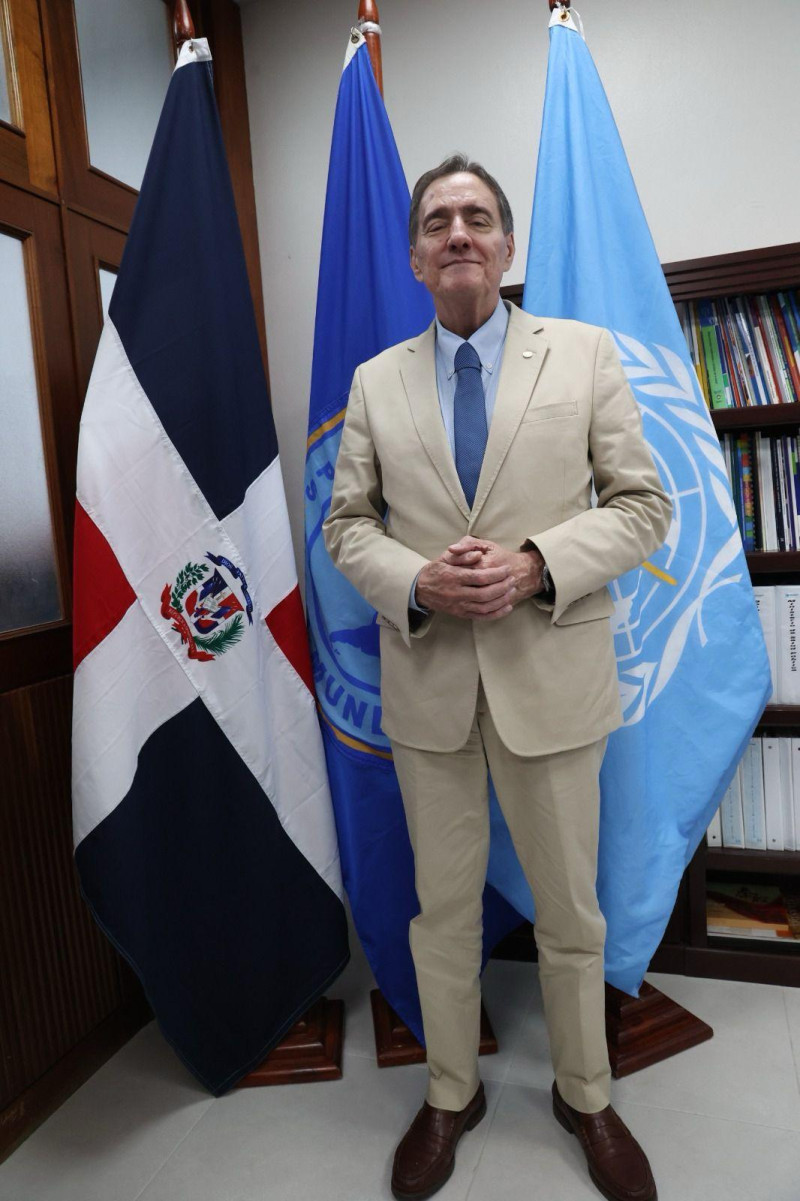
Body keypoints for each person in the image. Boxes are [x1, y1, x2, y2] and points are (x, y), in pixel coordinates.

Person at [323, 154, 671, 1201]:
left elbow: (643, 506)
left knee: (570, 912)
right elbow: (345, 526)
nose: (458, 233)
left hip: (551, 683)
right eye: (438, 221)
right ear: (416, 256)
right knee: (441, 912)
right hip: (429, 690)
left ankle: (585, 1094)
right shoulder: (374, 382)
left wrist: (536, 564)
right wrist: (416, 579)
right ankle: (450, 1092)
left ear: (507, 244)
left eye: (477, 216)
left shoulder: (584, 355)